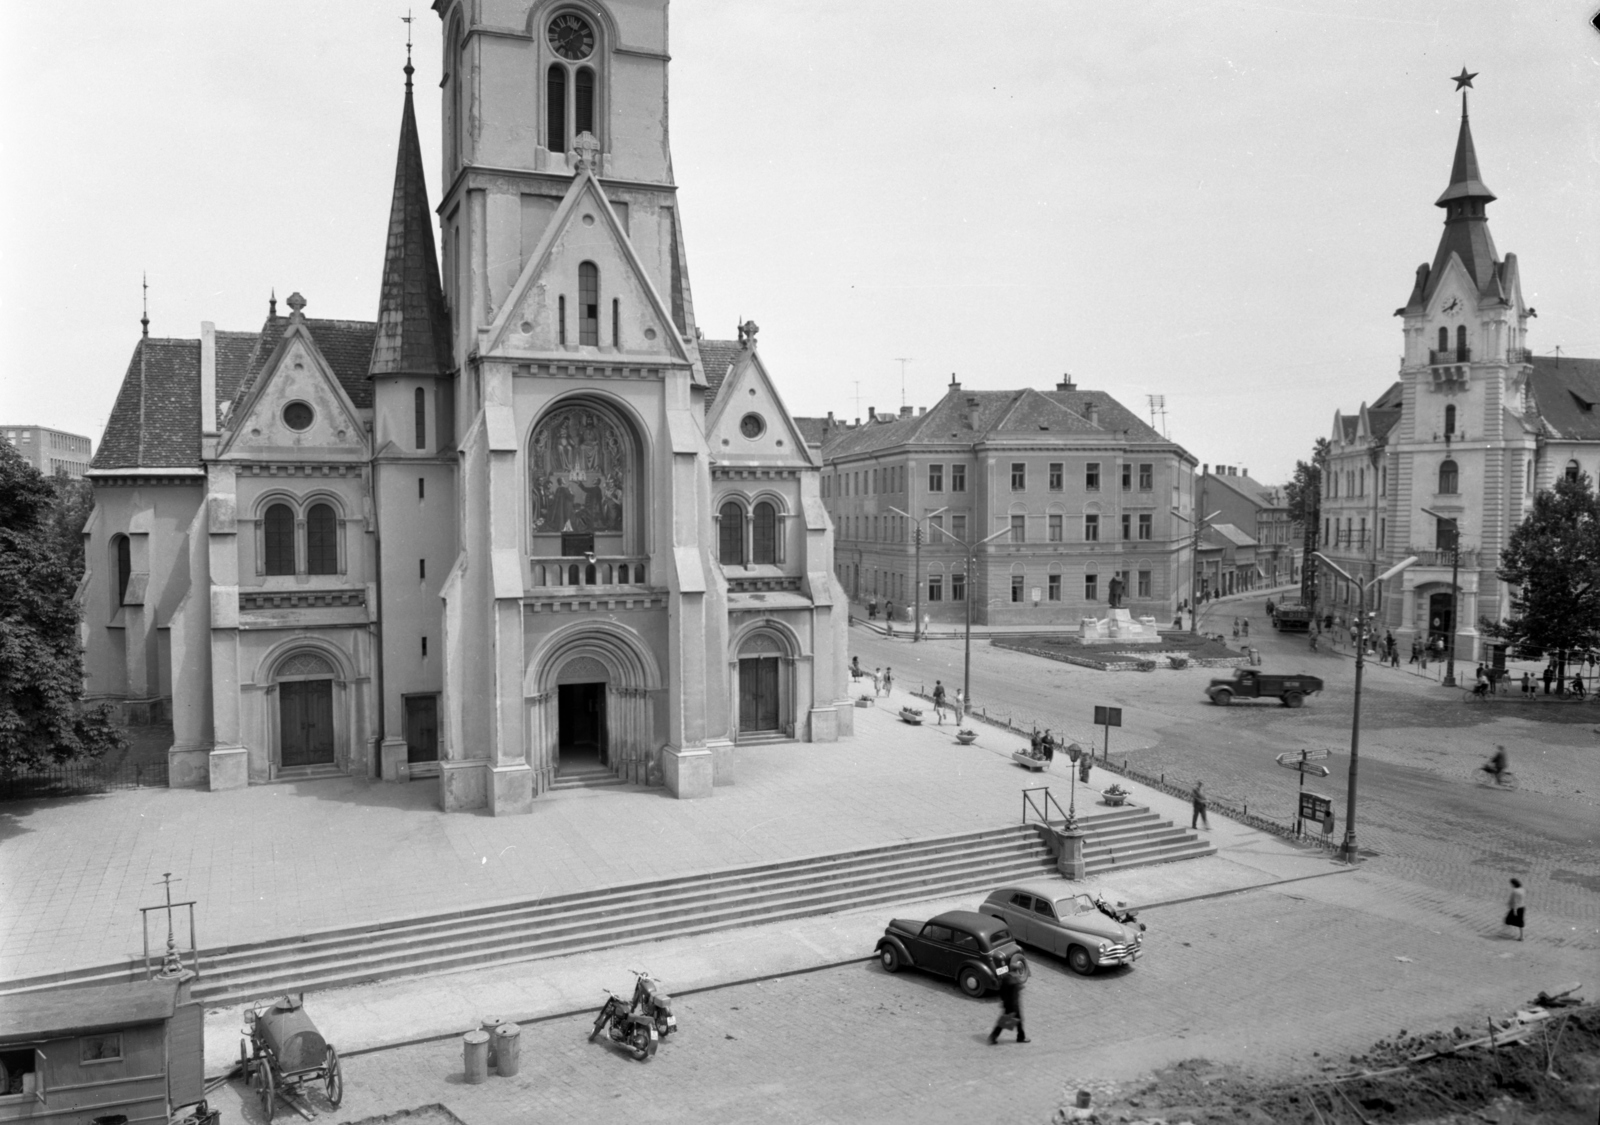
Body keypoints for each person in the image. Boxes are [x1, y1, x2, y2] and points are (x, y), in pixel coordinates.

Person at [988, 954, 1029, 1044]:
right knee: (1007, 1022)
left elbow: (1001, 991)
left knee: (1016, 1022)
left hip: (1007, 1004)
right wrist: (1015, 1010)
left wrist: (1004, 1001)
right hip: (1013, 1006)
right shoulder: (1014, 981)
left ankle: (1020, 1037)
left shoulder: (1006, 978)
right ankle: (994, 1037)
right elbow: (1014, 997)